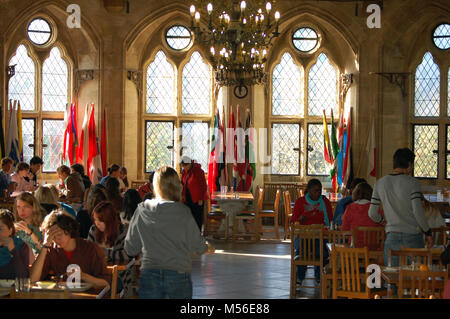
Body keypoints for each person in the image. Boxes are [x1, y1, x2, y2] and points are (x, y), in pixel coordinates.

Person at [124, 166, 214, 299]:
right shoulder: (183, 212)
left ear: (154, 186)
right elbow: (197, 244)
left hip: (149, 274)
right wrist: (207, 248)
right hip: (178, 273)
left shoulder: (142, 210)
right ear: (177, 186)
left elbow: (130, 248)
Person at [368, 148, 433, 267]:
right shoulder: (413, 183)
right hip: (413, 237)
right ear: (409, 165)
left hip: (391, 237)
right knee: (415, 279)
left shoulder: (379, 183)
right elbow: (418, 212)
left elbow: (372, 213)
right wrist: (428, 232)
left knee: (393, 279)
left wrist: (382, 221)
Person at [30, 210, 110, 289]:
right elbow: (33, 280)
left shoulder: (90, 248)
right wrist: (45, 246)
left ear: (70, 229)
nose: (56, 239)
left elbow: (105, 284)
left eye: (59, 234)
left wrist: (82, 275)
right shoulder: (51, 250)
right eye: (52, 236)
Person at [291, 178, 332, 285]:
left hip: (320, 235)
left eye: (320, 190)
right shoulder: (300, 202)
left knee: (322, 250)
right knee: (302, 250)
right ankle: (300, 276)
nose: (318, 193)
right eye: (315, 191)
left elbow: (330, 219)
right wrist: (300, 219)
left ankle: (319, 275)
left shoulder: (325, 202)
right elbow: (294, 221)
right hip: (304, 235)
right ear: (308, 190)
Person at [88, 201, 133, 295]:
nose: (97, 224)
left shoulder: (122, 232)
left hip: (119, 276)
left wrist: (104, 252)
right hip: (96, 274)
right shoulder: (93, 230)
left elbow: (126, 256)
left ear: (109, 220)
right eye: (95, 220)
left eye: (100, 221)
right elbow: (88, 251)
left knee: (105, 286)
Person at [341, 182, 384, 249]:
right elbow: (382, 228)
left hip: (355, 248)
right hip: (373, 248)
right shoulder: (376, 208)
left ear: (355, 193)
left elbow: (344, 230)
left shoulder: (350, 208)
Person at [0, 209, 31, 279]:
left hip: (13, 288)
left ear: (10, 230)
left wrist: (13, 250)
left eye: (0, 229)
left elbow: (23, 277)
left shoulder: (21, 246)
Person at [180, 156, 207, 231]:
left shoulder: (199, 171)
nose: (184, 168)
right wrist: (182, 195)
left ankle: (197, 234)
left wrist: (201, 198)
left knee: (197, 217)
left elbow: (203, 186)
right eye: (183, 166)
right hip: (187, 198)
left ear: (190, 163)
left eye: (185, 166)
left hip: (197, 198)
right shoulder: (184, 172)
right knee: (188, 217)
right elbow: (182, 184)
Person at [13, 192, 43, 257]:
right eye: (18, 207)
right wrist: (12, 231)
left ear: (33, 207)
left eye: (25, 207)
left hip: (39, 261)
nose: (21, 210)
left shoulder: (42, 223)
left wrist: (29, 232)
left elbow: (43, 249)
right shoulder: (16, 226)